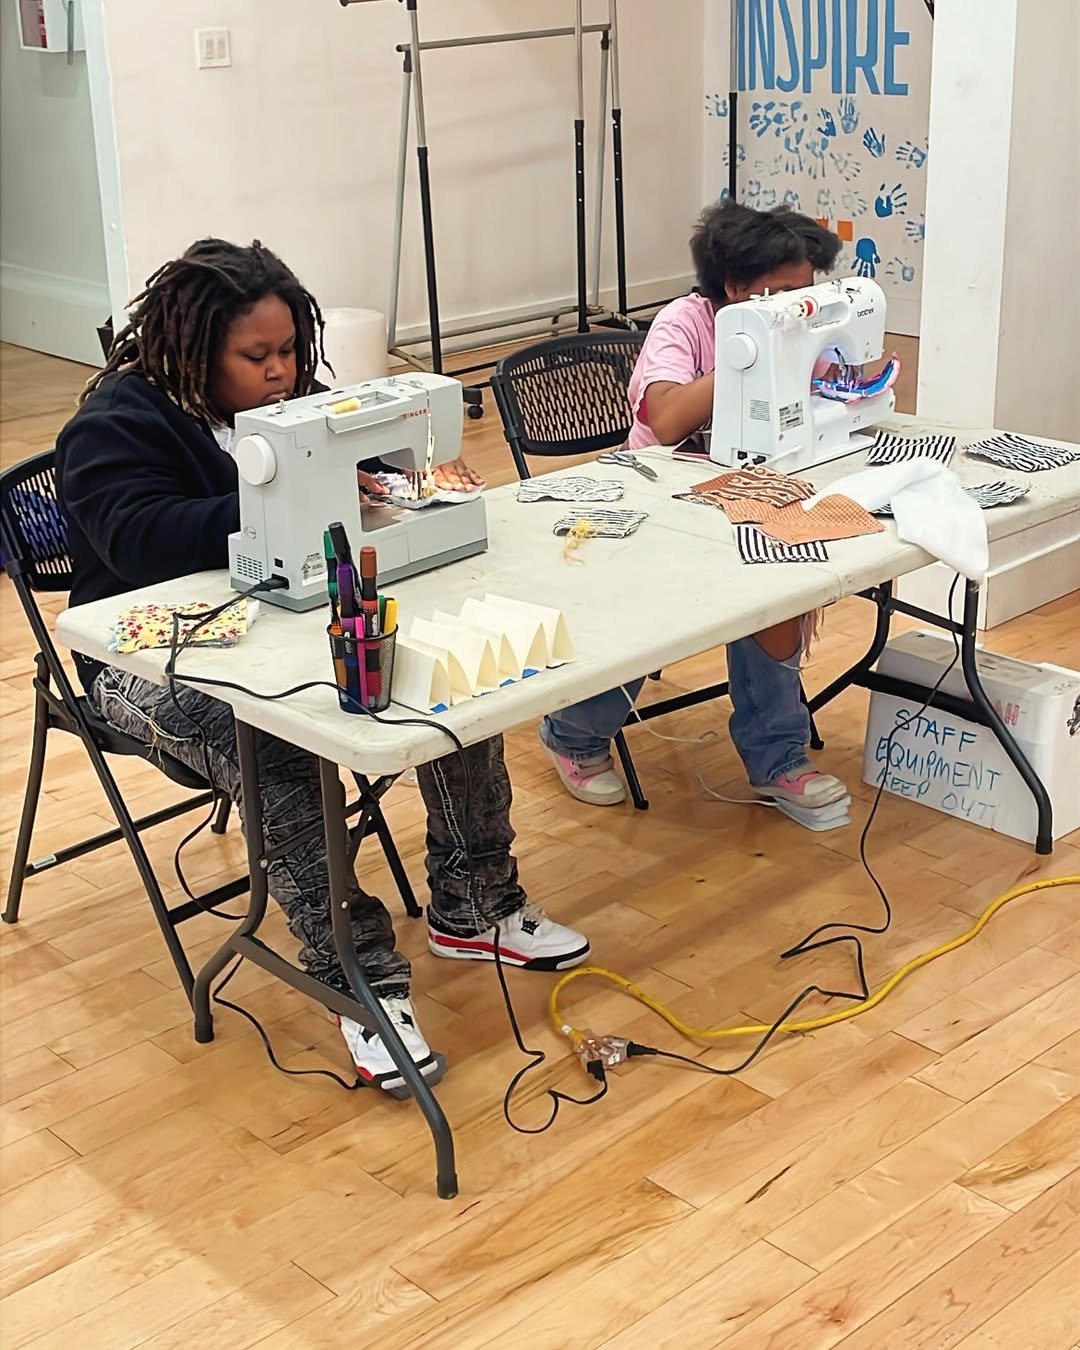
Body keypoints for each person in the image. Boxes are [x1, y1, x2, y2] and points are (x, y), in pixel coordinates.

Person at [56, 238, 590, 1095]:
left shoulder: (294, 401)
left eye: (290, 350)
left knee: (447, 670)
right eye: (256, 356)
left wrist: (393, 479)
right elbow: (138, 541)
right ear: (194, 350)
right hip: (142, 656)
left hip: (284, 615)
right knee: (276, 741)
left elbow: (362, 467)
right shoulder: (115, 425)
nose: (281, 372)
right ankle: (357, 974)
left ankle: (476, 903)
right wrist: (290, 496)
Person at [540, 202, 848, 812]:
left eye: (806, 292)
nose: (799, 306)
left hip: (748, 491)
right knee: (651, 605)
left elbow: (826, 396)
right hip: (660, 495)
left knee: (781, 587)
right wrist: (748, 351)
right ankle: (573, 734)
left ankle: (777, 758)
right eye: (784, 295)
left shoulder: (798, 324)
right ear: (734, 288)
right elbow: (667, 419)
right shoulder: (684, 324)